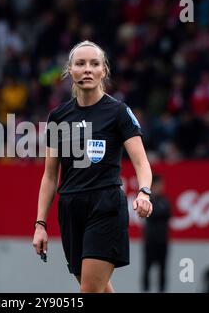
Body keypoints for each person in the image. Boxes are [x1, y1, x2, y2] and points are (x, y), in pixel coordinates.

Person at [32, 40, 153, 293]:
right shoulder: (58, 117)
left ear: (103, 71)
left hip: (105, 205)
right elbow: (50, 176)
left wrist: (144, 191)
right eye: (80, 63)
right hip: (70, 209)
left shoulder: (118, 111)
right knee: (96, 288)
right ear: (70, 71)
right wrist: (40, 224)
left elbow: (141, 161)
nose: (87, 69)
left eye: (94, 64)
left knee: (89, 290)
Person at [142, 174, 171, 292]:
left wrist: (157, 213)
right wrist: (159, 213)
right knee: (147, 268)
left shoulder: (165, 201)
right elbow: (150, 215)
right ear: (153, 186)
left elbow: (167, 214)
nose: (161, 187)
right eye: (159, 185)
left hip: (163, 240)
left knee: (163, 269)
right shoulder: (147, 200)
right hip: (150, 241)